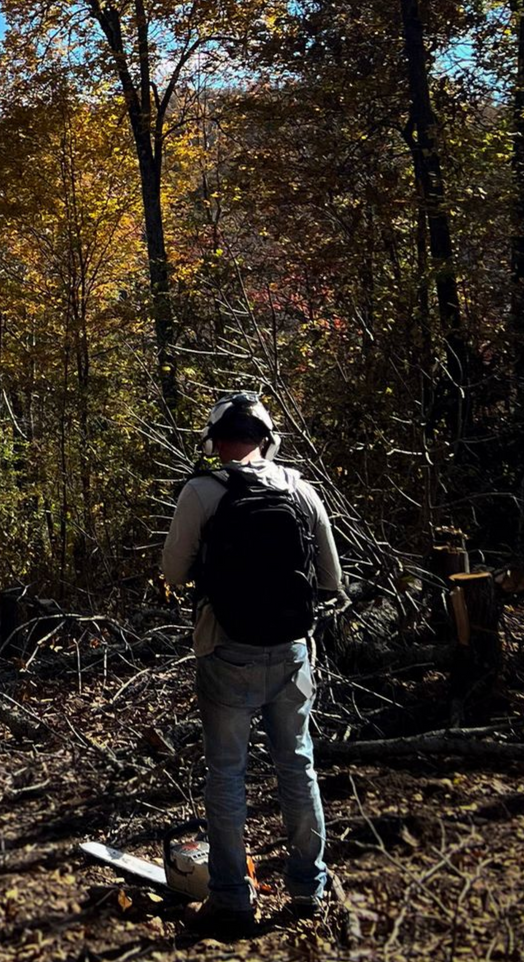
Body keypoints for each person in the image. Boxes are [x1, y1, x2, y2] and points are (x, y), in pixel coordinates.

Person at [161, 392, 342, 934]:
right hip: (291, 651)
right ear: (267, 438)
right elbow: (332, 581)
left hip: (226, 650)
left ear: (215, 443)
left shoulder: (200, 492)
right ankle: (309, 888)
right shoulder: (300, 488)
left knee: (227, 774)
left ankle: (231, 899)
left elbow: (172, 573)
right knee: (297, 764)